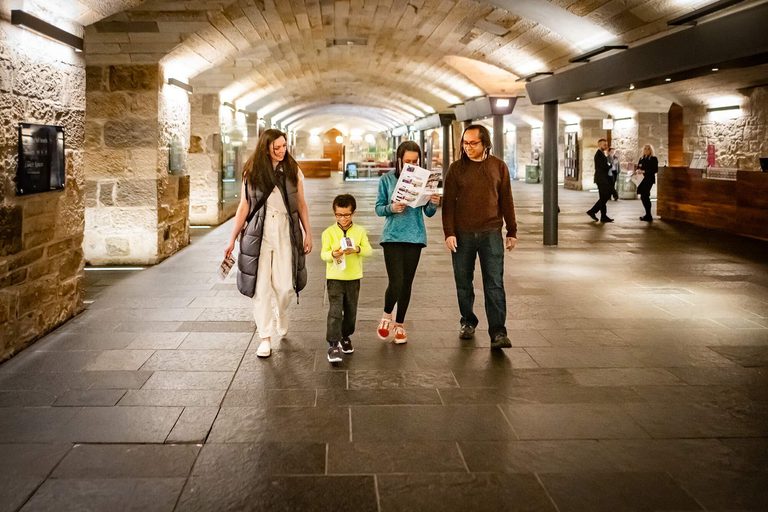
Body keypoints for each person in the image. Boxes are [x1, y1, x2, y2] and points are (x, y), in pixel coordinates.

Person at [224, 129, 312, 358]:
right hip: (257, 233)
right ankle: (265, 337)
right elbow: (244, 206)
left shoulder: (293, 170)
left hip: (285, 229)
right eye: (277, 147)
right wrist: (232, 239)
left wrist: (308, 233)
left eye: (284, 146)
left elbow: (301, 204)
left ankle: (281, 314)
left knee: (285, 288)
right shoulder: (251, 171)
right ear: (266, 148)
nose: (282, 151)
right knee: (260, 288)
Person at [442, 124, 517, 350]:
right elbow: (448, 205)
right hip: (462, 235)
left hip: (491, 233)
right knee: (463, 281)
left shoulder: (498, 167)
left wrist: (512, 230)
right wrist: (449, 232)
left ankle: (498, 331)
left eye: (473, 143)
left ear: (485, 143)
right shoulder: (456, 169)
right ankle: (468, 321)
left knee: (494, 283)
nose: (468, 147)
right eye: (465, 143)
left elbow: (506, 200)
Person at [374, 141, 440, 344]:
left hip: (415, 236)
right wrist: (392, 208)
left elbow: (428, 213)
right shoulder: (387, 180)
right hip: (392, 236)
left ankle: (400, 324)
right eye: (407, 162)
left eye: (415, 161)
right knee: (396, 280)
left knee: (407, 282)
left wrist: (434, 203)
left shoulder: (424, 180)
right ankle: (386, 317)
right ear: (399, 161)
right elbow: (379, 208)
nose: (411, 165)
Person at [320, 194, 372, 363]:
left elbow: (368, 251)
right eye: (339, 215)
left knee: (350, 311)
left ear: (353, 213)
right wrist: (333, 254)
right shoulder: (328, 232)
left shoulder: (360, 231)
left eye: (347, 214)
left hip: (353, 277)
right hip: (335, 277)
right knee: (335, 311)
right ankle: (333, 344)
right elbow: (324, 254)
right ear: (334, 213)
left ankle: (345, 336)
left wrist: (356, 249)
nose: (343, 218)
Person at [586, 138, 614, 223]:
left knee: (604, 197)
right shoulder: (599, 155)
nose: (606, 146)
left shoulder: (602, 154)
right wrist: (611, 165)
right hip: (601, 179)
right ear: (599, 145)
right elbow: (603, 167)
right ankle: (597, 213)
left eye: (606, 145)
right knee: (604, 197)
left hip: (603, 179)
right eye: (604, 145)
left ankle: (599, 214)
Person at [636, 144, 659, 222]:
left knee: (645, 195)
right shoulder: (641, 158)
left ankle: (648, 215)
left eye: (648, 149)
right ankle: (647, 214)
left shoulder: (653, 159)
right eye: (645, 149)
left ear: (651, 150)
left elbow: (655, 170)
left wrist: (645, 171)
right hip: (641, 180)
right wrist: (638, 170)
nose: (646, 150)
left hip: (649, 179)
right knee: (643, 197)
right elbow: (639, 167)